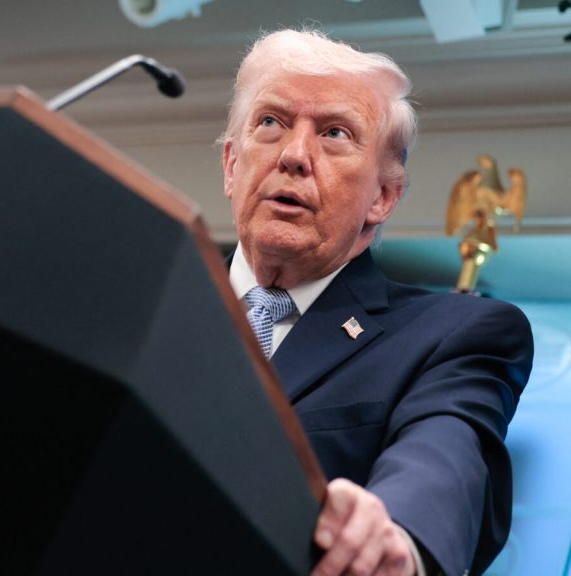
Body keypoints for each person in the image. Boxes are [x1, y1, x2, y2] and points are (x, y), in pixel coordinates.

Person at [220, 29, 533, 576]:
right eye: (270, 122)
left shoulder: (456, 336)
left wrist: (395, 539)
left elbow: (444, 457)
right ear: (230, 164)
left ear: (383, 197)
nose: (294, 155)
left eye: (335, 133)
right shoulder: (143, 308)